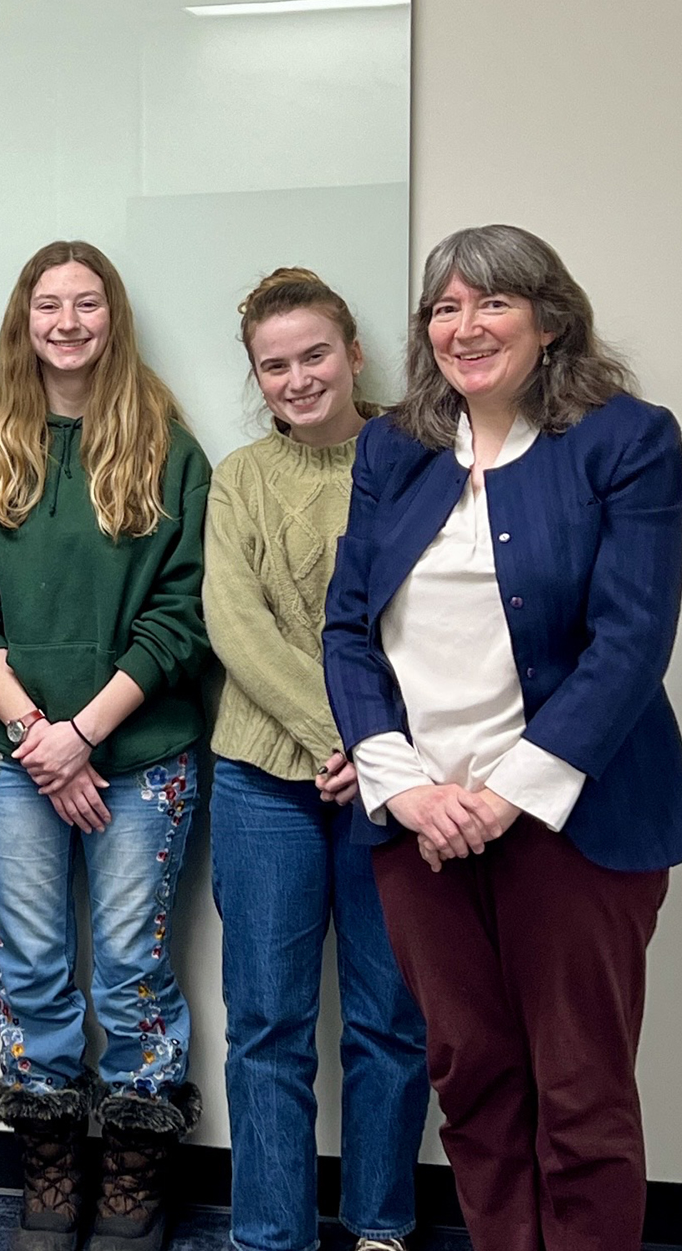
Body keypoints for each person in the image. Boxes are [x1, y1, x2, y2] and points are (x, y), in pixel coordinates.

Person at [324, 224, 682, 1251]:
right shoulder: (393, 449)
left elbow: (629, 639)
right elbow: (346, 627)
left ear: (548, 319)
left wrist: (501, 793)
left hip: (574, 820)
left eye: (490, 303)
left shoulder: (625, 440)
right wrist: (401, 788)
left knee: (577, 1091)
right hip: (418, 821)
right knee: (469, 1079)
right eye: (443, 306)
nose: (462, 326)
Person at [0, 240, 210, 1251]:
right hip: (8, 753)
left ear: (111, 316)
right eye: (46, 304)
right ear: (23, 320)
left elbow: (182, 616)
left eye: (85, 303)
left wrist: (81, 734)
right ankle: (49, 1159)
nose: (66, 321)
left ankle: (134, 1164)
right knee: (34, 963)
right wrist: (33, 735)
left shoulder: (168, 452)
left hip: (139, 754)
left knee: (131, 965)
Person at [204, 268, 427, 1251]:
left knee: (389, 1019)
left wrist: (376, 747)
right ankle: (269, 1235)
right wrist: (341, 736)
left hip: (399, 779)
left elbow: (433, 619)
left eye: (313, 356)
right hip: (262, 780)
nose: (296, 379)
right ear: (257, 376)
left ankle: (379, 1224)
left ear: (353, 352)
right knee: (264, 1026)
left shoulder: (419, 456)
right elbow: (234, 625)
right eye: (274, 365)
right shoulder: (241, 476)